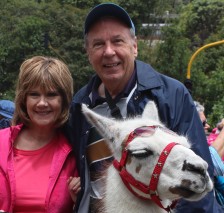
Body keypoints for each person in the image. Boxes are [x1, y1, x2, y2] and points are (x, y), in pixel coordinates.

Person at [67, 3, 222, 213]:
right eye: (98, 44)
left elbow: (198, 178)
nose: (109, 51)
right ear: (88, 53)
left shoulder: (170, 95)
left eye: (117, 41)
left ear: (134, 47)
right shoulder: (80, 105)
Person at [0, 56, 80, 213]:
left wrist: (79, 203)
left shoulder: (74, 154)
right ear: (24, 99)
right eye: (34, 94)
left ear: (64, 100)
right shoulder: (1, 142)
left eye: (51, 95)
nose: (42, 103)